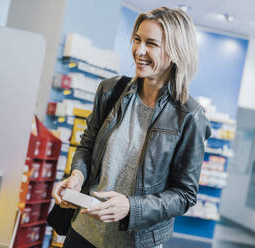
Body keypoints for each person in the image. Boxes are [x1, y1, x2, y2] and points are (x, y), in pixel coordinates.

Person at [52, 6, 212, 248]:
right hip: (83, 233)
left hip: (136, 242)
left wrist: (131, 207)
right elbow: (88, 144)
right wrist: (77, 175)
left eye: (151, 43)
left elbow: (184, 195)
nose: (139, 50)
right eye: (137, 39)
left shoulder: (190, 116)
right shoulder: (110, 90)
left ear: (175, 51)